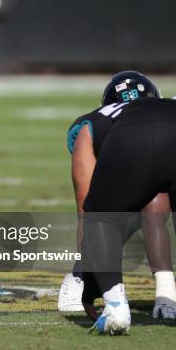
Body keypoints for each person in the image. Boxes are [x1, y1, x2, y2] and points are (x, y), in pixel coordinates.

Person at [59, 71, 176, 323]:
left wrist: (87, 277)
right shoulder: (166, 105)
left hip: (130, 145)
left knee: (97, 218)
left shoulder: (91, 123)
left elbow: (86, 212)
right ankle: (167, 295)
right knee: (154, 200)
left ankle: (113, 302)